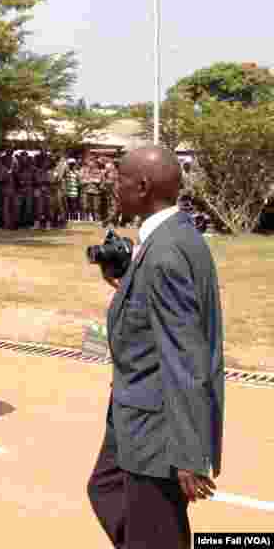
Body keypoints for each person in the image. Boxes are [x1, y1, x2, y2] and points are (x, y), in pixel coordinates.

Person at [87, 145, 224, 549]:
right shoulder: (171, 235)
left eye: (120, 180)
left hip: (158, 428)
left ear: (143, 187)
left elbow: (185, 358)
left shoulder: (166, 252)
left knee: (155, 532)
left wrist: (188, 452)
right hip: (137, 411)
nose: (114, 187)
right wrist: (126, 281)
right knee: (107, 488)